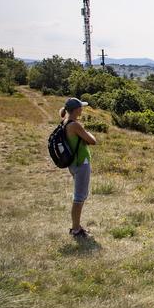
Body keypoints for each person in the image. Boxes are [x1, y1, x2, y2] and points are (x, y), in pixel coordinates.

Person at [60, 97, 97, 238]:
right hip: (81, 163)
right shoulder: (75, 125)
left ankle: (77, 226)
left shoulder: (65, 122)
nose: (82, 109)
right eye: (81, 107)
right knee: (79, 197)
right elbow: (92, 141)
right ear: (76, 110)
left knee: (79, 196)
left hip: (74, 163)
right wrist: (86, 132)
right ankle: (76, 229)